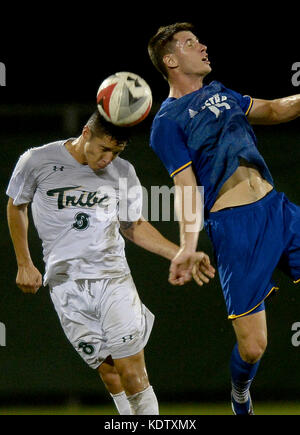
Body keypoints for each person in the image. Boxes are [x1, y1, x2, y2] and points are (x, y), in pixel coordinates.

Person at [6, 110, 213, 415]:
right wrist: (24, 263)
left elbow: (132, 225)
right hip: (65, 284)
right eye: (104, 149)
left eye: (116, 152)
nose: (108, 159)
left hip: (111, 278)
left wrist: (179, 252)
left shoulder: (123, 172)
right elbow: (16, 206)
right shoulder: (36, 161)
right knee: (110, 372)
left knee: (132, 370)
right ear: (86, 134)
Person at [148, 22, 300, 415]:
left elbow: (274, 109)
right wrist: (187, 246)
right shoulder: (167, 122)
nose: (201, 46)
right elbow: (185, 187)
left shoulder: (223, 93)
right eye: (189, 43)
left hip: (278, 210)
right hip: (235, 228)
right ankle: (239, 392)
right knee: (253, 347)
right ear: (170, 60)